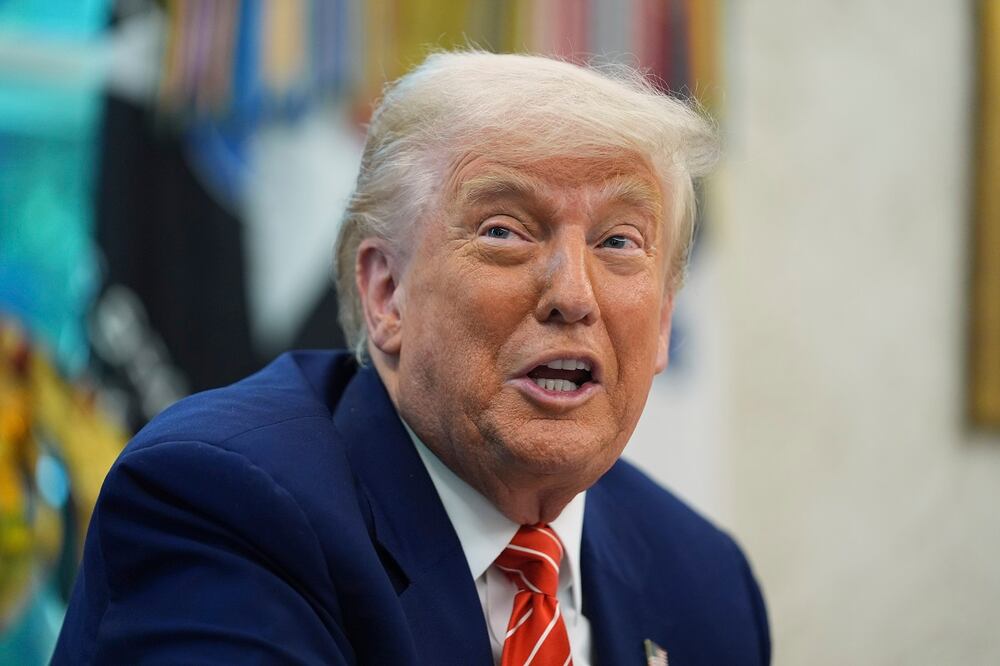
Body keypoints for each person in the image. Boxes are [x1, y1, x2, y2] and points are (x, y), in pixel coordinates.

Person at [54, 51, 770, 665]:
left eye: (619, 243)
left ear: (667, 318)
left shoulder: (703, 581)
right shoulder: (220, 506)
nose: (573, 296)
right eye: (505, 230)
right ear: (386, 291)